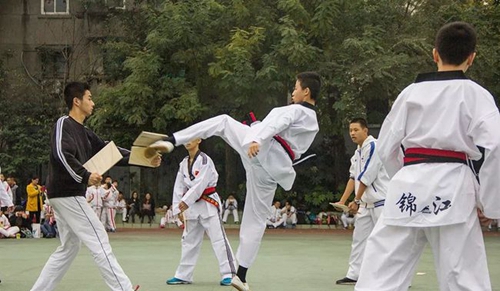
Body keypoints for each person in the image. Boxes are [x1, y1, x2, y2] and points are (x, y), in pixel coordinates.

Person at [356, 22, 500, 291]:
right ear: (472, 57)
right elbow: (497, 147)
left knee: (380, 275)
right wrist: (489, 203)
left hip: (408, 186)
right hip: (455, 188)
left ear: (434, 54)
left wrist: (404, 176)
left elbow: (386, 147)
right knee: (464, 278)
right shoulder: (477, 96)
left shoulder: (410, 94)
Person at [149, 71, 321, 291]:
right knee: (256, 219)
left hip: (261, 151)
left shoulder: (295, 110)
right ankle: (241, 274)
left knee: (222, 122)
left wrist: (256, 137)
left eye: (296, 88)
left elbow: (277, 124)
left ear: (306, 91)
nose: (293, 92)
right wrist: (256, 129)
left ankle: (172, 140)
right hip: (272, 170)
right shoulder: (312, 123)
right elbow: (278, 129)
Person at [30, 82, 160, 291]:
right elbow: (61, 154)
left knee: (69, 248)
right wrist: (86, 176)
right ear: (76, 101)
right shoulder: (63, 124)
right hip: (68, 194)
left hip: (64, 195)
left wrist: (145, 158)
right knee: (99, 237)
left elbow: (111, 151)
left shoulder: (85, 132)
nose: (93, 102)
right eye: (89, 98)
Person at [166, 138, 236, 286]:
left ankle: (229, 273)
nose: (187, 141)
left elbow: (200, 184)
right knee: (189, 241)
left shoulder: (205, 160)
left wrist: (184, 203)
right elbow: (178, 186)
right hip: (191, 207)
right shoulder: (183, 163)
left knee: (218, 240)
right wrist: (177, 207)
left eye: (191, 138)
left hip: (207, 204)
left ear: (198, 140)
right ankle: (183, 275)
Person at [333, 118, 390, 285]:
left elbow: (367, 176)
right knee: (359, 240)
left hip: (381, 202)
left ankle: (396, 276)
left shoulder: (374, 146)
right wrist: (342, 201)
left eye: (356, 130)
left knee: (386, 240)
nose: (352, 133)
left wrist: (356, 200)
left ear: (366, 130)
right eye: (350, 130)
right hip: (365, 204)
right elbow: (353, 177)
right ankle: (355, 274)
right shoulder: (357, 152)